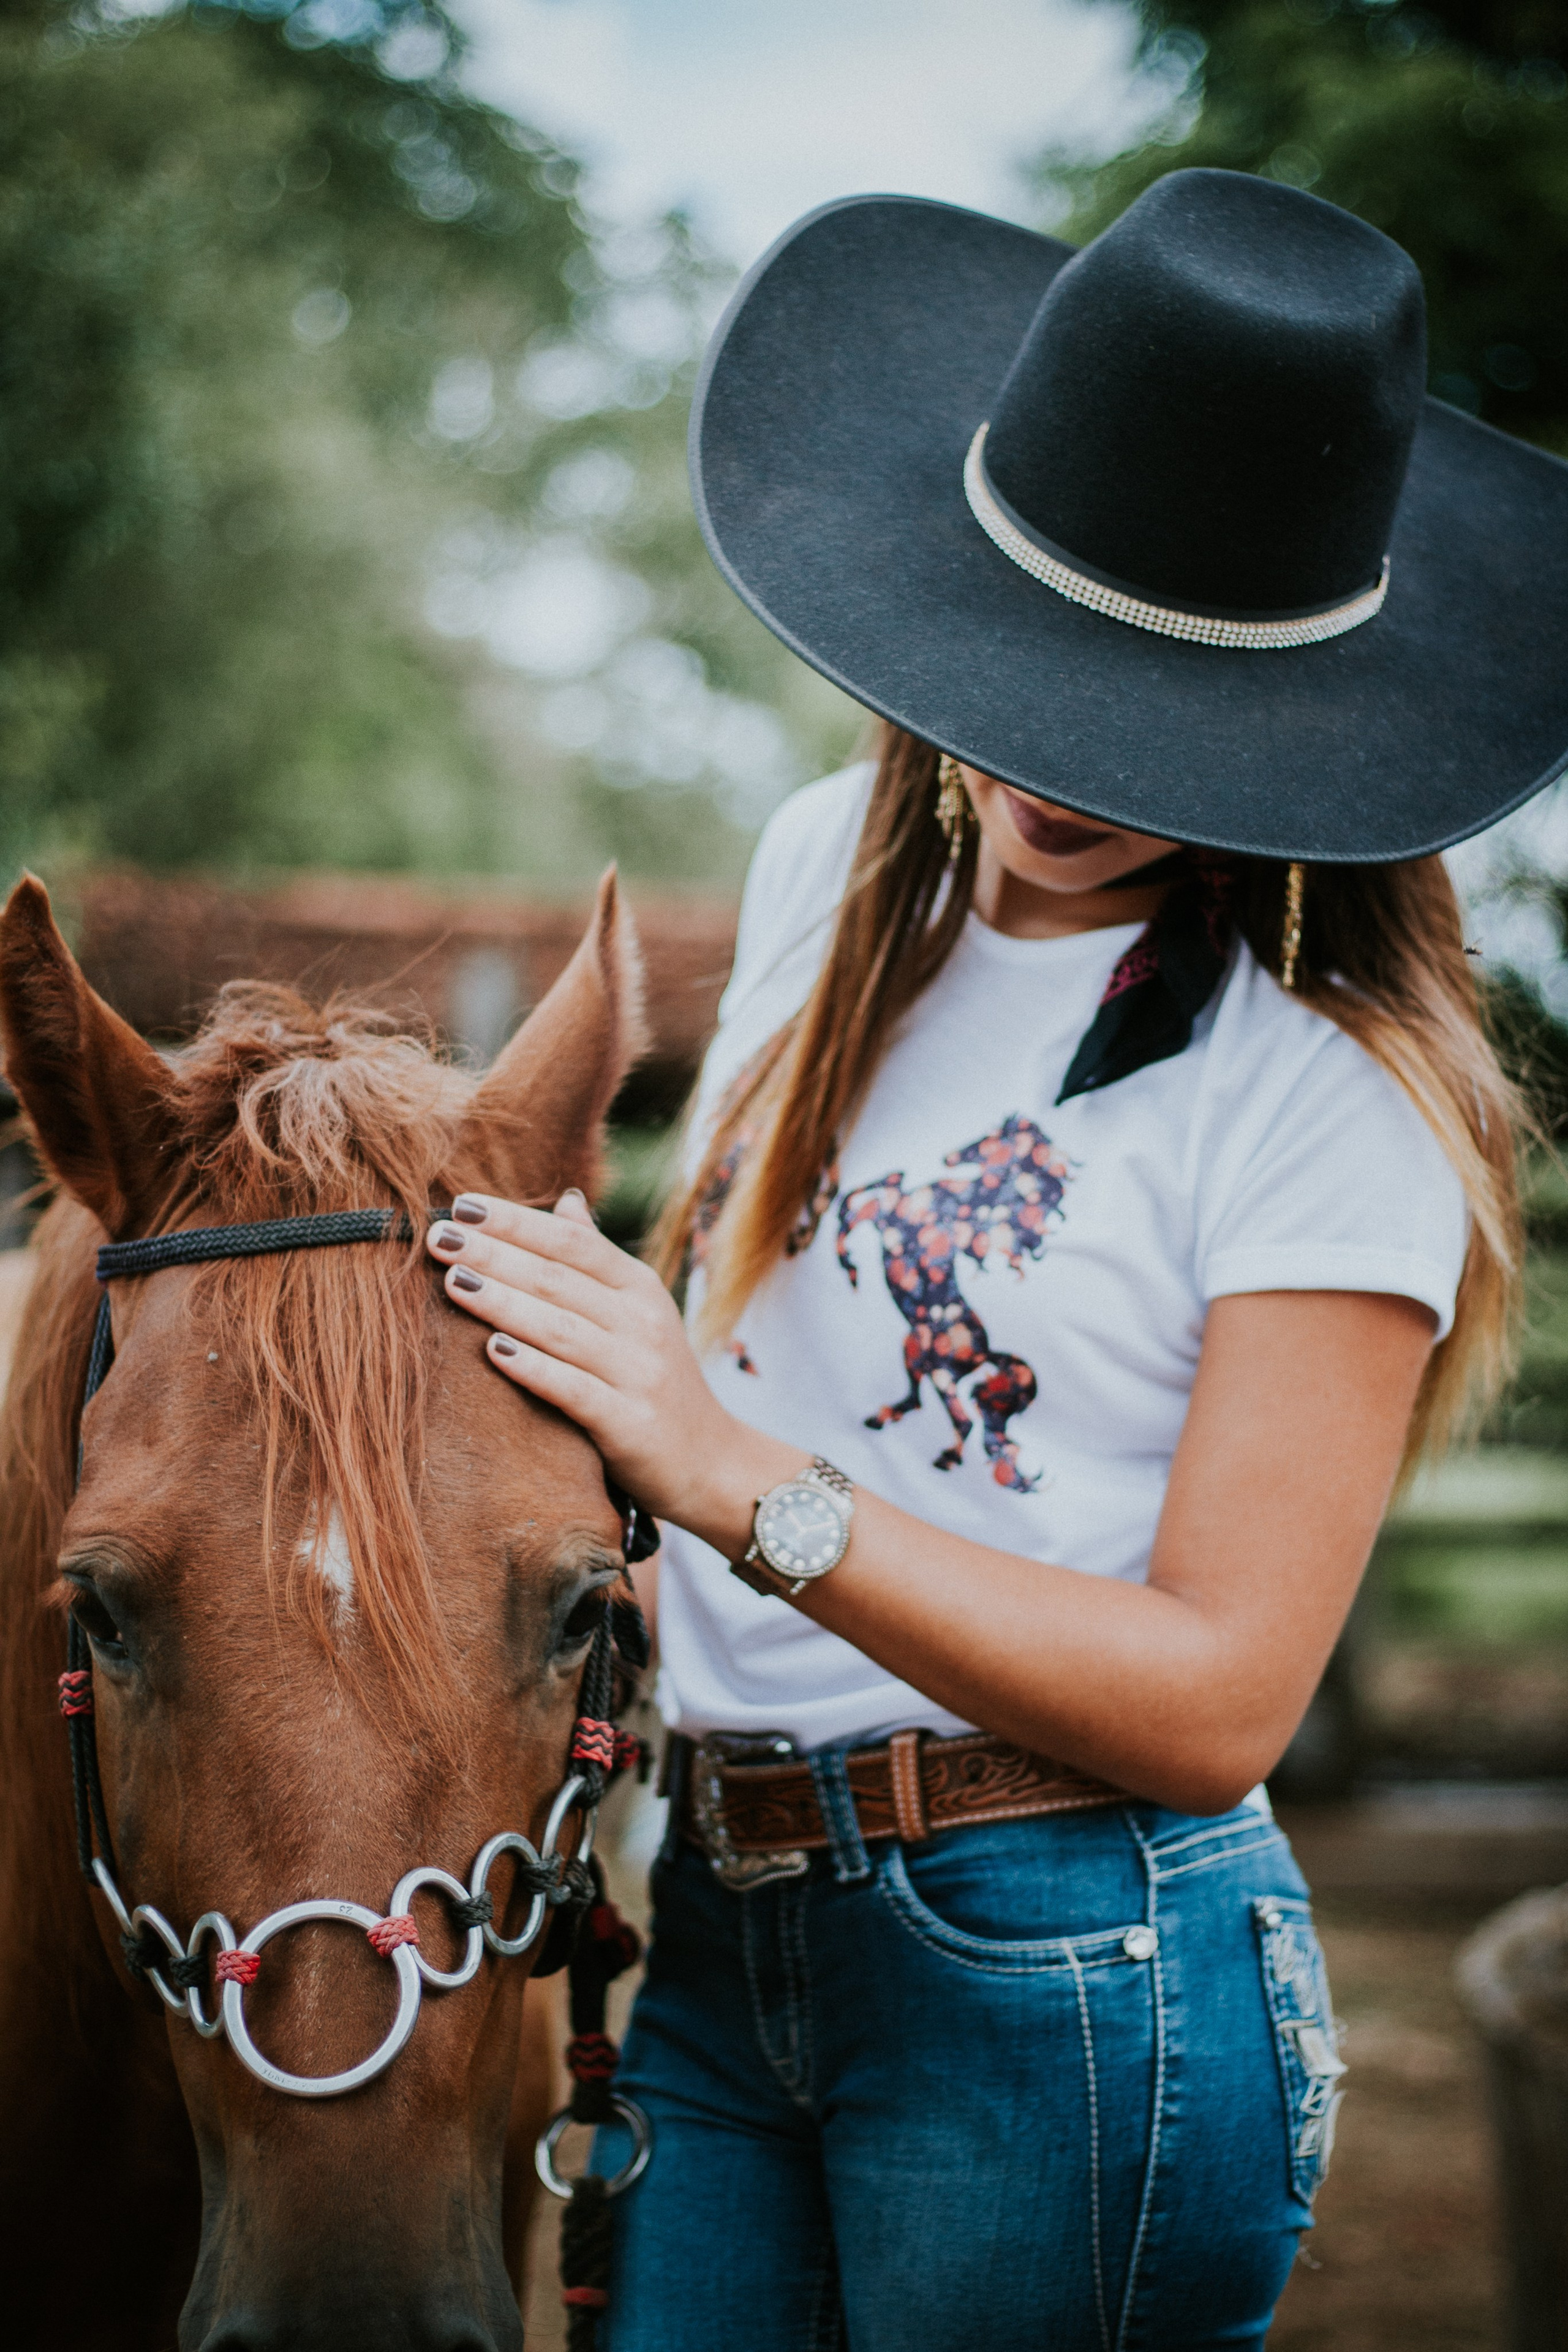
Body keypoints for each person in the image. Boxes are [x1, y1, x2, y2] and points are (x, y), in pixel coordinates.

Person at [425, 170, 1568, 2350]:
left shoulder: (1328, 1092)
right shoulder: (819, 879)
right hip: (728, 1930)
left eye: (1145, 703)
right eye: (1041, 660)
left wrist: (728, 1477)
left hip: (1067, 1960)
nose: (1056, 762)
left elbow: (1225, 1699)